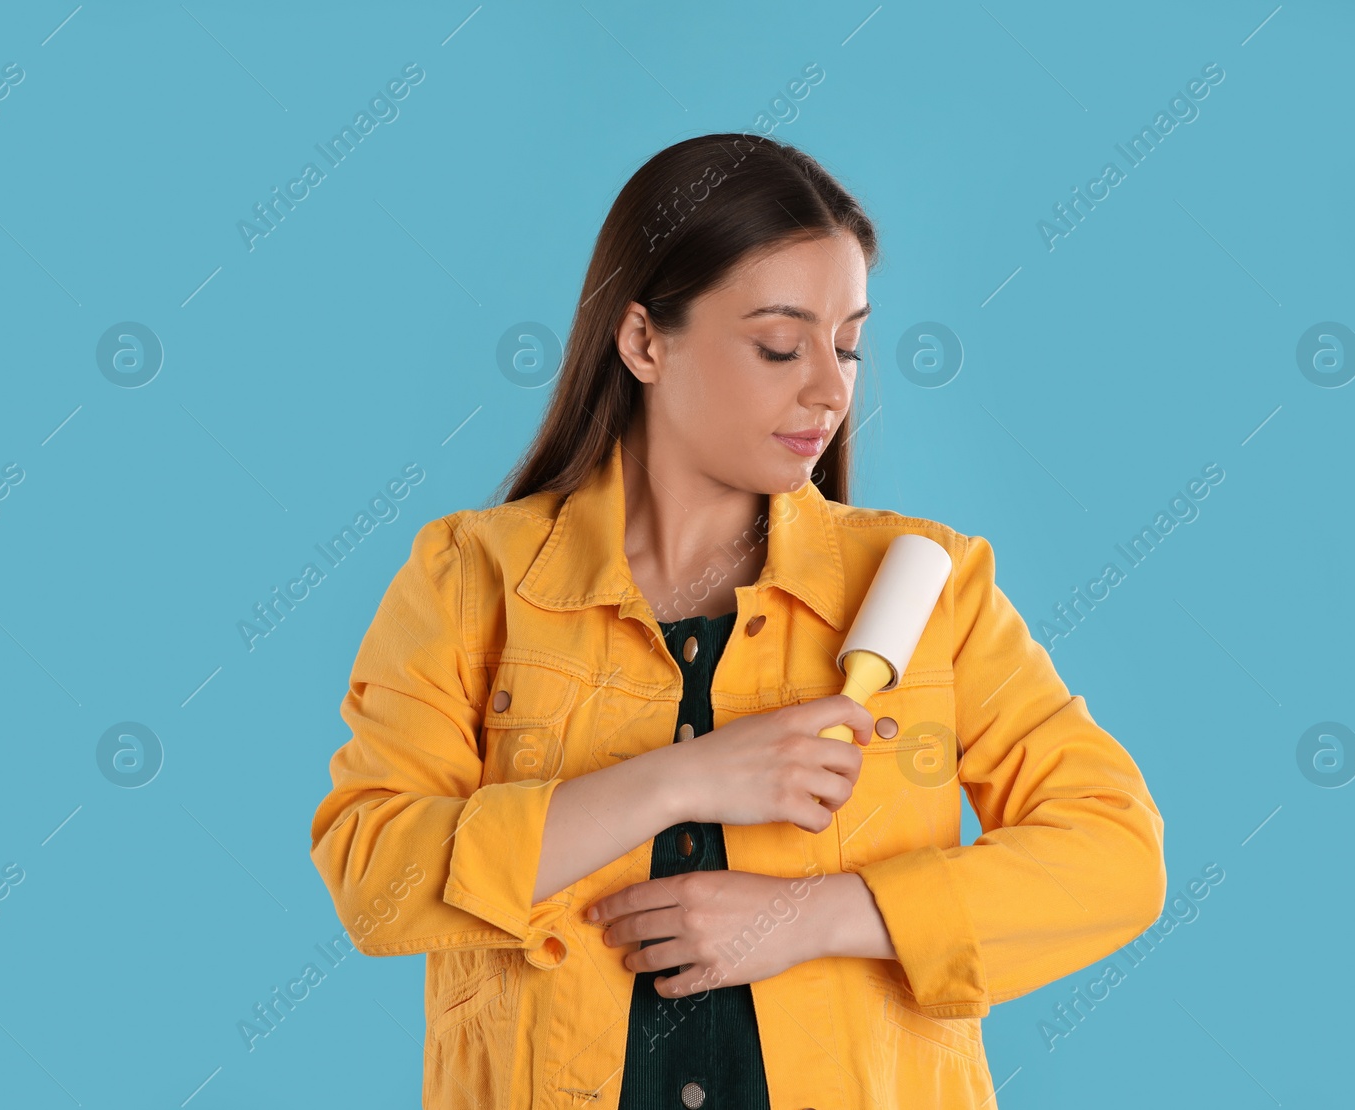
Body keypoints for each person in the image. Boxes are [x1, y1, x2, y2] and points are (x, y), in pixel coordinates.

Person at [309, 132, 1166, 1109]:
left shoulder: (930, 586)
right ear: (643, 342)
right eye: (777, 344)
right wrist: (683, 778)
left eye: (845, 344)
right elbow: (375, 881)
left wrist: (819, 914)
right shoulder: (470, 577)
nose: (830, 387)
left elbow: (1115, 854)